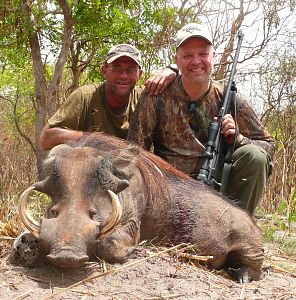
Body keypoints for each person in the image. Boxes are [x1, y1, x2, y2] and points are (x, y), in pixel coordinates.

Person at [127, 23, 275, 215]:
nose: (196, 61)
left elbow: (267, 145)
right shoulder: (156, 95)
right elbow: (135, 149)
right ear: (177, 61)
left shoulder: (230, 98)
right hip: (168, 189)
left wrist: (237, 139)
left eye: (203, 54)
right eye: (188, 55)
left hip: (217, 190)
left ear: (213, 57)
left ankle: (239, 229)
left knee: (254, 157)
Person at [39, 44, 176, 150]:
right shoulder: (85, 96)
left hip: (131, 169)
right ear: (104, 71)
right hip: (89, 169)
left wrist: (173, 69)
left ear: (140, 74)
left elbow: (190, 80)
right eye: (116, 68)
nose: (123, 76)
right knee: (60, 153)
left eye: (131, 69)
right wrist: (98, 139)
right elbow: (46, 138)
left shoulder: (146, 97)